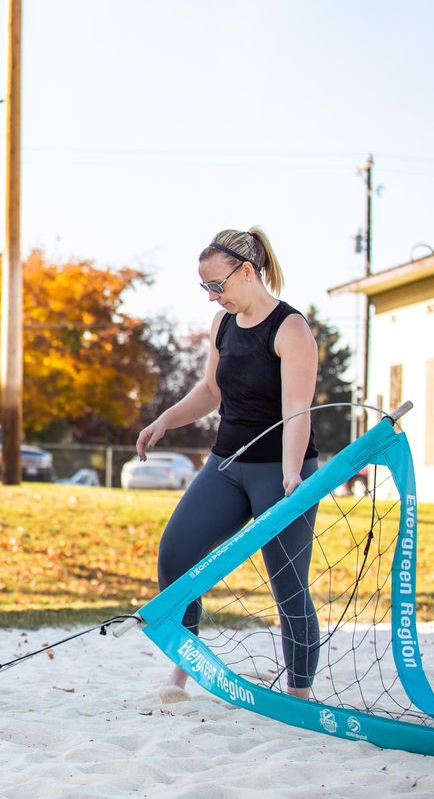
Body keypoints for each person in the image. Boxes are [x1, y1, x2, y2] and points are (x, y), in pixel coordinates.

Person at [135, 227, 320, 703]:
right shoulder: (222, 325)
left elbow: (298, 410)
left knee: (287, 584)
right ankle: (182, 671)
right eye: (206, 288)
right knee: (177, 557)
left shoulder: (291, 328)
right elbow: (211, 392)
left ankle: (299, 693)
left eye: (218, 285)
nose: (213, 297)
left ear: (247, 271)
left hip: (282, 469)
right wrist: (164, 422)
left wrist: (292, 475)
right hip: (227, 464)